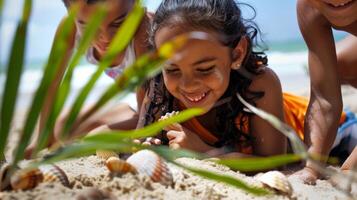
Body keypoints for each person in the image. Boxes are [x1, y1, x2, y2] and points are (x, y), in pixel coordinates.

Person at [136, 0, 357, 171]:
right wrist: (150, 148)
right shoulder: (159, 89)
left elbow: (274, 164)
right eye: (172, 69)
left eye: (204, 69)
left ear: (237, 53)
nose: (188, 84)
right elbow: (138, 142)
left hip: (337, 135)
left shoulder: (259, 85)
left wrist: (204, 153)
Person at [25, 0, 151, 158]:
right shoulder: (69, 26)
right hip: (138, 102)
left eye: (118, 23)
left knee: (95, 136)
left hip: (159, 105)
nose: (105, 38)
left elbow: (146, 118)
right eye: (89, 26)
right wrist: (43, 137)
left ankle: (123, 114)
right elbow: (51, 83)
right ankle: (123, 111)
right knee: (62, 128)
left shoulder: (143, 30)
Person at [296, 0, 357, 184]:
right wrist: (311, 167)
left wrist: (349, 169)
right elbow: (324, 98)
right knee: (335, 67)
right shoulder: (310, 6)